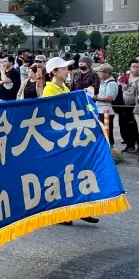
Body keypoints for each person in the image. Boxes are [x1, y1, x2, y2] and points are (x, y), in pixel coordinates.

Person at [43, 57, 99, 225]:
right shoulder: (49, 91)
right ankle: (63, 213)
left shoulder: (64, 88)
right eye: (64, 68)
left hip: (71, 137)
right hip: (58, 139)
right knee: (62, 178)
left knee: (77, 174)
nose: (68, 71)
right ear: (54, 72)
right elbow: (50, 116)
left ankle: (81, 209)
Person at [118, 59, 139, 154]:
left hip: (137, 106)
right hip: (124, 106)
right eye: (134, 66)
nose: (136, 69)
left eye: (138, 67)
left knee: (138, 127)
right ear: (130, 67)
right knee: (125, 126)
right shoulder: (124, 78)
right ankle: (129, 145)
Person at [93, 64, 118, 148]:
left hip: (106, 111)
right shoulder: (103, 82)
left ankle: (110, 149)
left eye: (100, 72)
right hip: (100, 109)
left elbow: (109, 99)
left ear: (107, 73)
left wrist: (96, 98)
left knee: (107, 131)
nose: (98, 73)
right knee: (102, 131)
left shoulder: (111, 83)